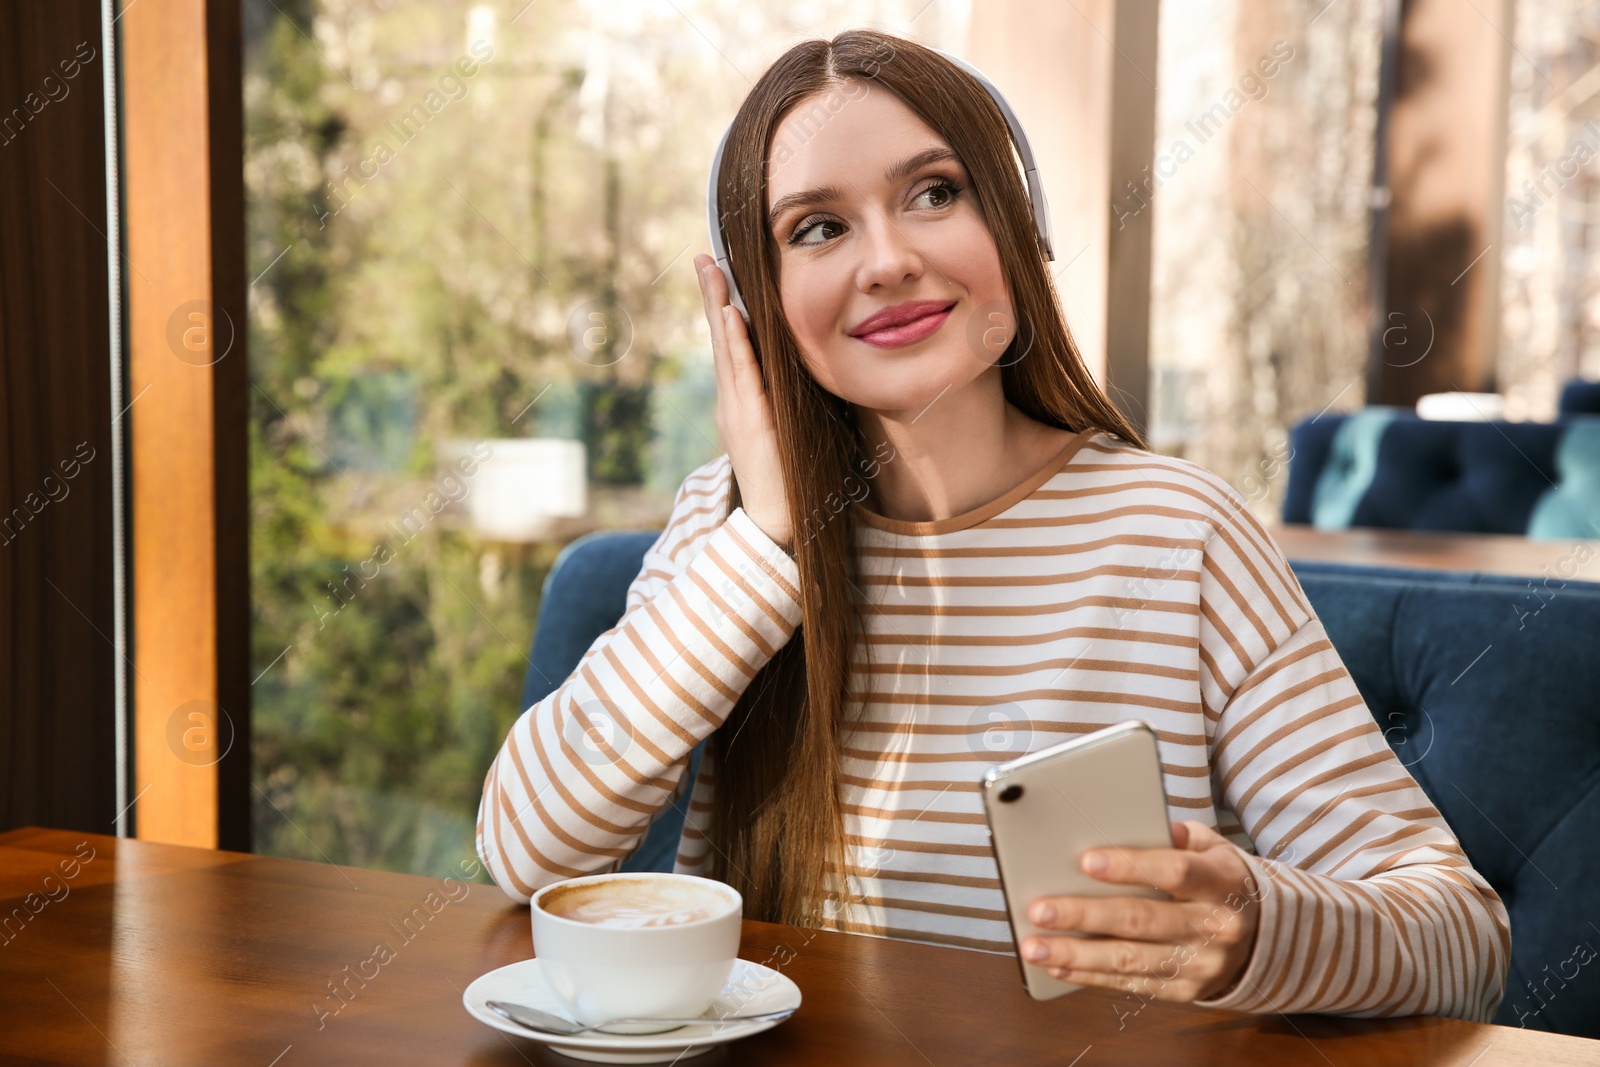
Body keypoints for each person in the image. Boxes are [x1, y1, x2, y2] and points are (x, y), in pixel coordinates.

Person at [476, 28, 1509, 1021]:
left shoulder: (1177, 533)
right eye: (818, 228)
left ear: (1018, 229)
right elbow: (525, 852)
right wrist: (767, 543)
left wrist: (1254, 929)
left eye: (934, 193)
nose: (886, 261)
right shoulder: (726, 527)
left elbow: (1461, 936)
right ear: (754, 303)